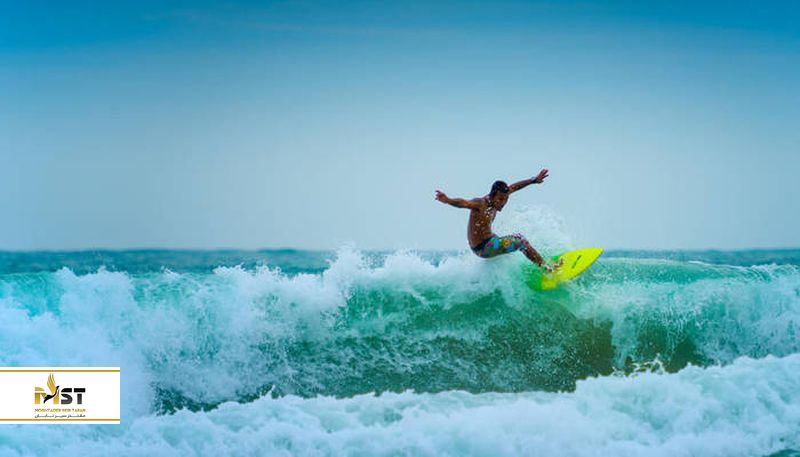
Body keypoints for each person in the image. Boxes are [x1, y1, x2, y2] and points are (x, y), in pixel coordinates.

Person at [435, 169, 560, 271]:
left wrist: (533, 180)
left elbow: (515, 187)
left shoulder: (500, 197)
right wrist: (448, 200)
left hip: (490, 240)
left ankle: (539, 263)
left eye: (506, 199)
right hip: (482, 248)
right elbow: (464, 203)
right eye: (500, 199)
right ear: (492, 196)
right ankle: (547, 268)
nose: (503, 203)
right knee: (520, 241)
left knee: (516, 239)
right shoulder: (480, 204)